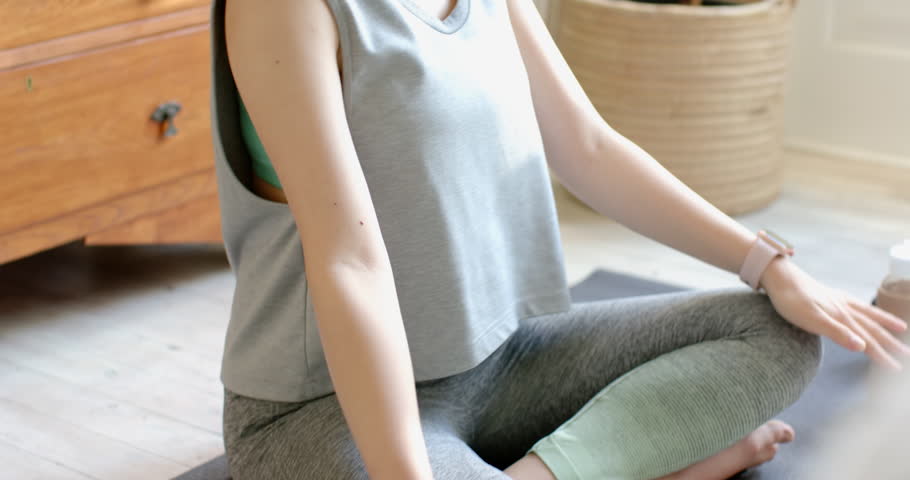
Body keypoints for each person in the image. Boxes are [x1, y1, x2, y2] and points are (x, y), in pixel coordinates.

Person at [210, 0, 910, 478]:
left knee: (776, 334)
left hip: (507, 360)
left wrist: (768, 266)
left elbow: (589, 147)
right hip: (326, 406)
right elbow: (350, 260)